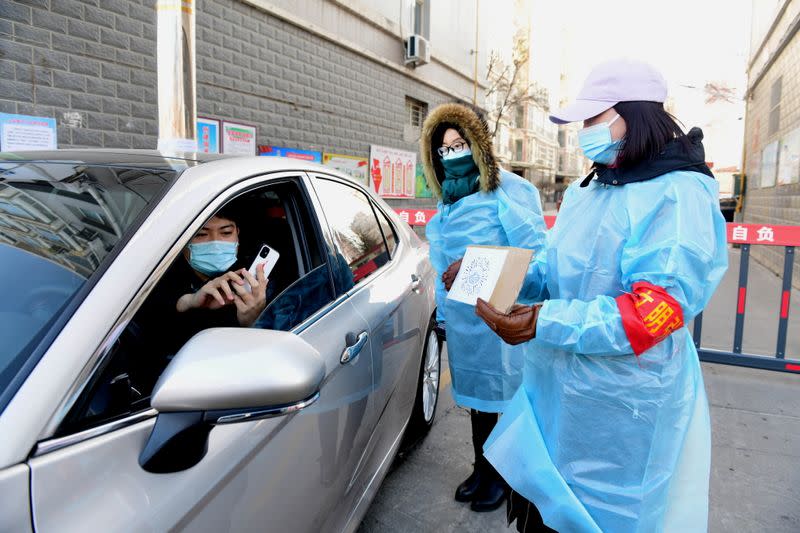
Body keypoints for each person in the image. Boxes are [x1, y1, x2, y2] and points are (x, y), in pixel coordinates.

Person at [473, 59, 729, 532]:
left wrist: (541, 322)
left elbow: (655, 312)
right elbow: (554, 269)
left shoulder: (677, 194)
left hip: (623, 408)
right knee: (544, 509)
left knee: (605, 518)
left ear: (635, 114)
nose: (584, 131)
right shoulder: (587, 190)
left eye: (594, 118)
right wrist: (489, 272)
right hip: (556, 392)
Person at [420, 102, 547, 512]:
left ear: (480, 142)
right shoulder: (449, 196)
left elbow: (534, 254)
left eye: (460, 144)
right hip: (463, 318)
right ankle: (482, 468)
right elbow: (442, 258)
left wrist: (474, 266)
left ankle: (504, 479)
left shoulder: (511, 189)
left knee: (504, 397)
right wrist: (442, 315)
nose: (452, 154)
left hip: (501, 313)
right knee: (476, 399)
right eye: (443, 149)